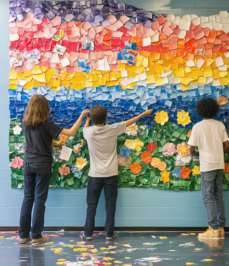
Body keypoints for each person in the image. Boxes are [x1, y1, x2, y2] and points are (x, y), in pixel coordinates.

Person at [19, 95, 89, 245]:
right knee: (39, 200)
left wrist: (54, 145)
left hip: (28, 164)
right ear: (45, 108)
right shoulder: (46, 123)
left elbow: (37, 143)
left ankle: (24, 235)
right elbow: (70, 132)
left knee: (27, 198)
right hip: (42, 165)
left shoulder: (25, 123)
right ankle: (37, 236)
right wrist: (82, 116)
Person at [82, 106, 153, 240]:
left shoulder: (88, 132)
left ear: (92, 119)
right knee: (110, 205)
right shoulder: (112, 129)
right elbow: (130, 122)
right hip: (111, 174)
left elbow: (85, 128)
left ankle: (88, 234)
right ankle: (109, 234)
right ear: (106, 118)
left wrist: (87, 119)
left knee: (91, 206)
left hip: (95, 175)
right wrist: (144, 113)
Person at [188, 98, 229, 239]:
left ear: (200, 111)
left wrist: (200, 155)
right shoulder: (219, 125)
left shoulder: (197, 127)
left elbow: (191, 149)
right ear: (214, 110)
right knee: (218, 195)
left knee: (207, 196)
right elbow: (227, 145)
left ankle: (213, 228)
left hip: (207, 166)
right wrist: (219, 155)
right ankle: (221, 228)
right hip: (219, 164)